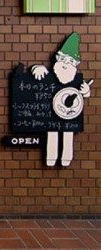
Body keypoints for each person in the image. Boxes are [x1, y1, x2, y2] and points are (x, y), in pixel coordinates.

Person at [31, 32, 92, 166]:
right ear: (57, 58)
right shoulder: (49, 76)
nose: (65, 64)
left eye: (70, 61)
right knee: (52, 133)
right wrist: (37, 68)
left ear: (75, 64)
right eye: (63, 59)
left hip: (69, 116)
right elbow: (37, 74)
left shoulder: (75, 80)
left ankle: (66, 159)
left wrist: (86, 91)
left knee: (68, 135)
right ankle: (51, 158)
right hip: (50, 116)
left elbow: (85, 93)